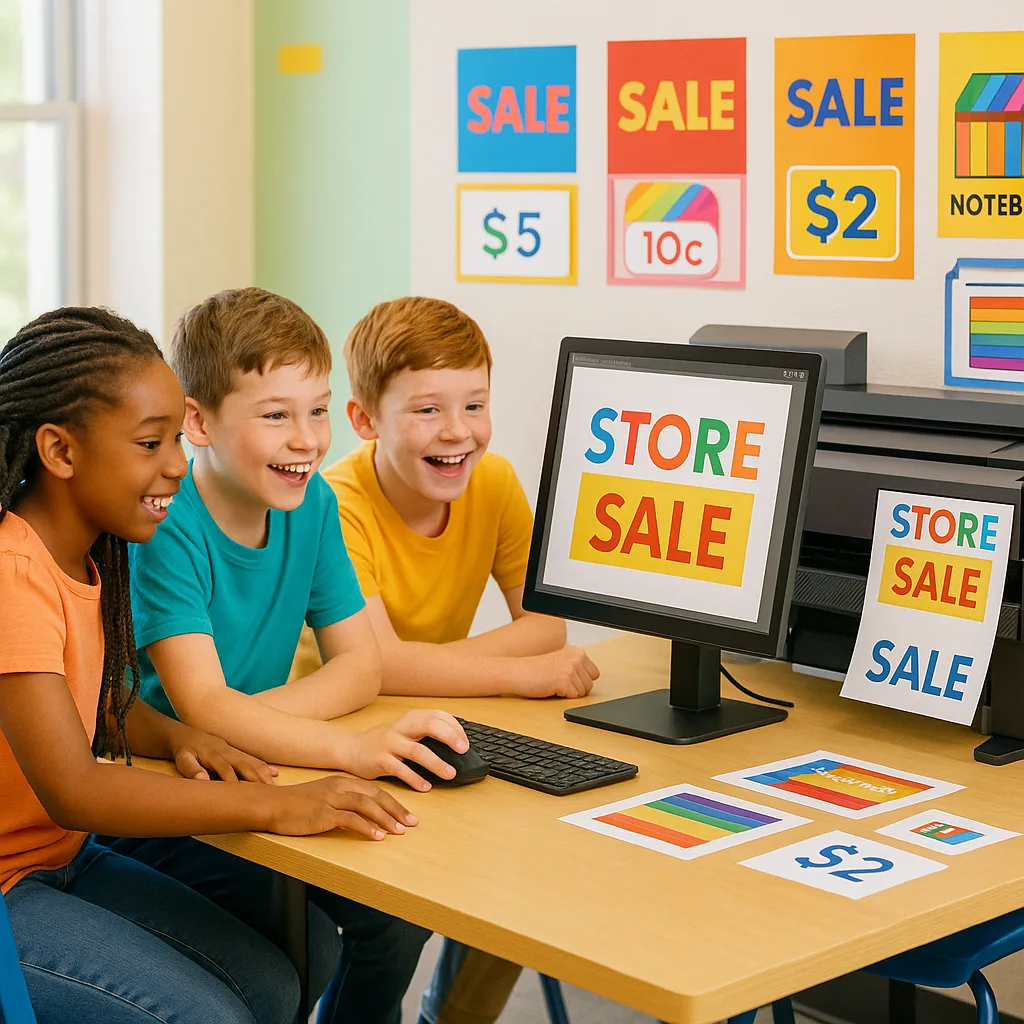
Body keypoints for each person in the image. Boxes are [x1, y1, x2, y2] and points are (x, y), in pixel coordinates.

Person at [0, 306, 417, 1024]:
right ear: (60, 452)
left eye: (172, 440)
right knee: (207, 1015)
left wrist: (177, 736)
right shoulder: (13, 570)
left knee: (281, 977)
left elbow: (98, 702)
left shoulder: (89, 551)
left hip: (60, 860)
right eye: (148, 443)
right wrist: (280, 804)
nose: (173, 466)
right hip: (12, 884)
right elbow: (75, 788)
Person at [118, 287, 468, 1024]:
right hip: (163, 794)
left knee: (397, 916)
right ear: (199, 421)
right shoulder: (166, 525)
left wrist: (241, 720)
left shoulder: (312, 505)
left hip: (256, 759)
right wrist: (344, 746)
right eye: (276, 415)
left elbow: (361, 665)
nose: (308, 439)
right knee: (306, 943)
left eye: (317, 409)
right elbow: (198, 708)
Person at [289, 296, 600, 1024]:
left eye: (475, 404)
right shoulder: (334, 501)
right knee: (394, 930)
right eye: (427, 410)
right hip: (323, 741)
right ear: (365, 421)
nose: (458, 431)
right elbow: (374, 666)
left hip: (422, 724)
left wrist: (424, 668)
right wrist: (515, 673)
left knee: (526, 868)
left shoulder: (492, 483)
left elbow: (548, 622)